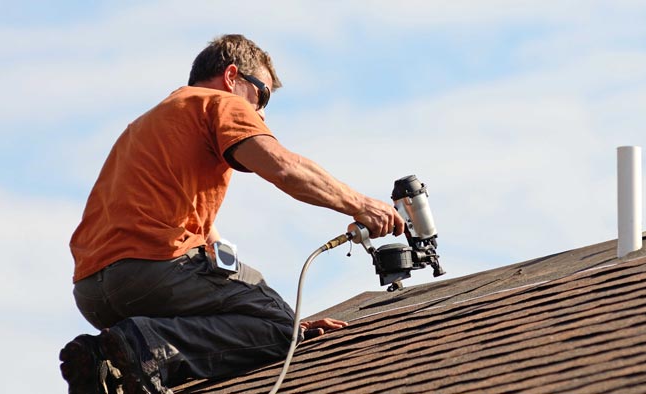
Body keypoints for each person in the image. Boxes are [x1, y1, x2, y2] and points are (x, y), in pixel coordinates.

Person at [59, 34, 404, 394]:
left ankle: (105, 363)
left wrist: (261, 316)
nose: (262, 112)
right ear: (231, 77)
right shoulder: (219, 104)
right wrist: (362, 206)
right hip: (153, 271)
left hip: (92, 292)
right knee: (279, 328)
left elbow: (208, 245)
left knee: (259, 319)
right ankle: (143, 345)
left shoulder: (150, 124)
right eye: (263, 95)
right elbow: (284, 168)